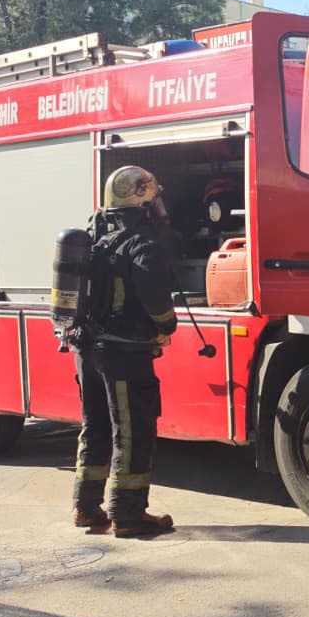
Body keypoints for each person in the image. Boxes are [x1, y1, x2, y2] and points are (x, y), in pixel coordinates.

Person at [71, 165, 180, 539]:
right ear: (140, 196)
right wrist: (166, 325)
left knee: (96, 424)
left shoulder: (93, 233)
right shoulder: (141, 240)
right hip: (125, 350)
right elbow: (152, 292)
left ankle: (86, 508)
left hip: (86, 347)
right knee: (132, 431)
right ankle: (128, 515)